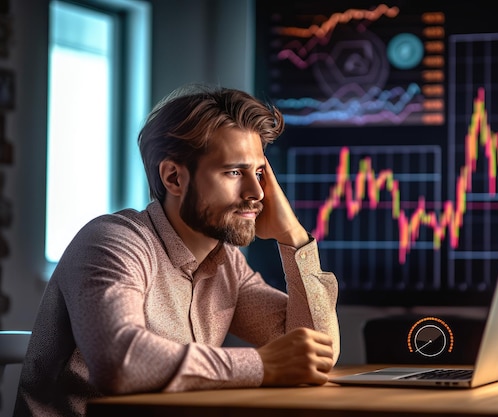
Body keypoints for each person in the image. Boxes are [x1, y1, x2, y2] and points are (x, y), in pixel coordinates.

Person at [13, 85, 341, 417]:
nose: (257, 192)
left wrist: (294, 238)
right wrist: (262, 365)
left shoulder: (228, 265)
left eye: (258, 173)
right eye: (234, 172)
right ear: (174, 178)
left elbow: (315, 352)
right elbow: (119, 361)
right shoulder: (112, 243)